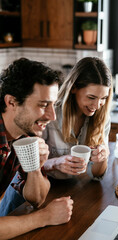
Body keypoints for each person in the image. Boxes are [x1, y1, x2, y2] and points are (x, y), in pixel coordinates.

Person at [0, 58, 73, 239]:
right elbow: (41, 210)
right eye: (43, 105)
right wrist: (45, 217)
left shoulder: (25, 134)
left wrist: (35, 166)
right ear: (11, 102)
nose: (52, 116)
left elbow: (37, 199)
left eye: (53, 105)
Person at [43, 56, 113, 180]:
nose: (97, 106)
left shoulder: (102, 118)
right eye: (91, 97)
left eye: (103, 98)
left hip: (77, 188)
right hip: (47, 187)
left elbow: (96, 175)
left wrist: (102, 158)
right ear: (74, 88)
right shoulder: (49, 114)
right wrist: (55, 163)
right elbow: (28, 167)